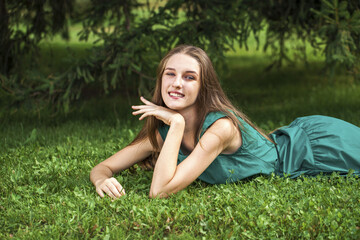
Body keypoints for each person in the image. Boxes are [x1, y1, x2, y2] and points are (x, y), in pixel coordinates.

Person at [90, 45, 360, 199]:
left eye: (189, 77)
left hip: (314, 147)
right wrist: (101, 180)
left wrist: (177, 125)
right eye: (170, 74)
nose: (175, 84)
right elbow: (103, 167)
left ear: (203, 86)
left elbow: (159, 191)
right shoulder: (163, 132)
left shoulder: (220, 128)